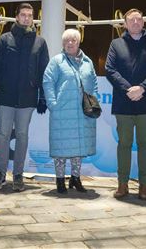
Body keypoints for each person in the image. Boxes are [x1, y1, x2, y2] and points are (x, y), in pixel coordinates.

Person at [105, 9, 146, 200]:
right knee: (124, 144)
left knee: (144, 144)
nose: (136, 22)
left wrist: (143, 88)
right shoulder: (116, 44)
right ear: (125, 24)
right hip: (123, 103)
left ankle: (144, 186)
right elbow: (110, 69)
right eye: (131, 20)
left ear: (143, 23)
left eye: (139, 19)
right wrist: (128, 89)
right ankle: (122, 184)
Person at [0, 3, 49, 191]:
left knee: (22, 135)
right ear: (16, 17)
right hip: (6, 98)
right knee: (4, 135)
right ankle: (0, 173)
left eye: (30, 15)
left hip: (27, 99)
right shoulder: (5, 39)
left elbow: (43, 73)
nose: (26, 18)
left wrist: (43, 97)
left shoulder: (40, 42)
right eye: (23, 15)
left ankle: (18, 175)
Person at [43, 29, 98, 194]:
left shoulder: (88, 62)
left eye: (73, 40)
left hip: (83, 112)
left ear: (78, 42)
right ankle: (60, 180)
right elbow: (47, 81)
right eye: (66, 41)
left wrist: (93, 101)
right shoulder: (57, 61)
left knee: (78, 148)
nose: (69, 43)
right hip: (62, 112)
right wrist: (52, 104)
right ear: (63, 43)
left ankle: (75, 178)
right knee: (61, 148)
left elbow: (93, 81)